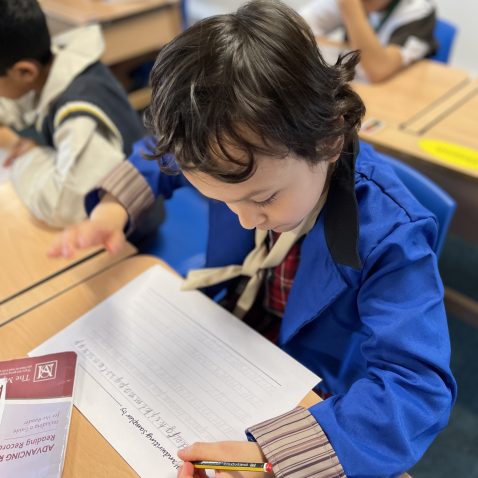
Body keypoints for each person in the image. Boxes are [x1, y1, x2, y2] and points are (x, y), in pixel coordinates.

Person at [50, 1, 456, 476]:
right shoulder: (229, 147)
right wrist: (113, 207)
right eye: (223, 201)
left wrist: (279, 454)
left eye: (263, 199)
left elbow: (415, 386)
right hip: (225, 336)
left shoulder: (390, 233)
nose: (245, 220)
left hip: (306, 382)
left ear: (329, 141)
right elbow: (155, 155)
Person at [0, 0, 144, 227]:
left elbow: (63, 207)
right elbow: (16, 104)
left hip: (124, 230)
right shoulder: (49, 64)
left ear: (24, 71)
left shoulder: (79, 116)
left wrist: (27, 154)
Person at [300, 0, 437, 82]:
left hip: (396, 93)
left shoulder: (419, 9)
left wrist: (351, 8)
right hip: (353, 84)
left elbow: (378, 69)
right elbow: (295, 30)